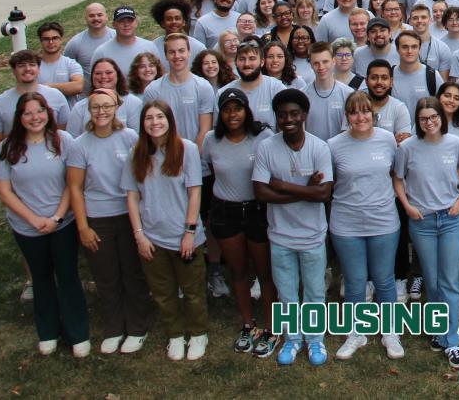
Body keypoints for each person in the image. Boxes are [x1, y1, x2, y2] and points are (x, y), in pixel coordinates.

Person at [0, 92, 89, 357]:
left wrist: (57, 217)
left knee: (68, 275)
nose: (35, 117)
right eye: (28, 113)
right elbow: (4, 191)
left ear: (48, 113)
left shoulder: (63, 141)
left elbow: (73, 184)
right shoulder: (7, 147)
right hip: (27, 227)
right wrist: (33, 219)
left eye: (40, 111)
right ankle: (47, 331)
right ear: (19, 117)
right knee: (41, 277)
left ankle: (77, 332)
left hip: (63, 223)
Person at [251, 89, 334, 366]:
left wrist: (283, 185)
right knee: (286, 293)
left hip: (312, 235)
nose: (288, 119)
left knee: (313, 292)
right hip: (280, 235)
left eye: (294, 113)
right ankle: (292, 339)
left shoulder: (319, 147)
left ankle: (314, 340)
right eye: (283, 114)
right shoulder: (266, 147)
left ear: (304, 116)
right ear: (276, 117)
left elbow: (324, 194)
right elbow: (261, 193)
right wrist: (304, 189)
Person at [122, 101, 209, 362]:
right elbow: (132, 196)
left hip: (184, 235)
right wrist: (139, 235)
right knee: (163, 291)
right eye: (149, 118)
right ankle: (174, 334)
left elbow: (195, 193)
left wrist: (189, 233)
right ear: (143, 124)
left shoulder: (187, 149)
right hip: (152, 237)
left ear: (169, 120)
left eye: (160, 117)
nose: (155, 122)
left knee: (193, 290)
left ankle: (197, 333)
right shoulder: (136, 153)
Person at [66, 89, 150, 354]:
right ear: (88, 112)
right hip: (97, 218)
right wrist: (82, 226)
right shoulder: (79, 145)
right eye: (95, 108)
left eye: (107, 106)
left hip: (127, 215)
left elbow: (140, 180)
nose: (101, 112)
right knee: (106, 276)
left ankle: (138, 326)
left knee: (131, 273)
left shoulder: (130, 138)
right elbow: (75, 189)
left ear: (116, 107)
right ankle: (114, 325)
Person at [201, 88, 278, 358]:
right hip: (226, 211)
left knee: (265, 271)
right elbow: (206, 173)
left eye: (238, 108)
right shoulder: (211, 140)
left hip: (257, 209)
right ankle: (248, 323)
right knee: (238, 270)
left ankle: (271, 325)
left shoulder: (263, 137)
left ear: (247, 110)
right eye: (226, 109)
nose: (232, 114)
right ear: (220, 113)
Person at [394, 97, 459, 367]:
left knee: (450, 280)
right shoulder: (407, 147)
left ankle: (453, 340)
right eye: (424, 118)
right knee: (433, 279)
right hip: (422, 221)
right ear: (418, 120)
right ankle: (439, 329)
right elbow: (397, 178)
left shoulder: (457, 144)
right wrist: (407, 206)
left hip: (450, 219)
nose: (430, 122)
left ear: (442, 117)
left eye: (434, 117)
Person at [328, 92, 404, 360]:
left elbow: (396, 173)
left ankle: (390, 331)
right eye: (354, 112)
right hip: (346, 223)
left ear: (374, 114)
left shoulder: (387, 140)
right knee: (355, 281)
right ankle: (355, 332)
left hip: (383, 221)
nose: (360, 117)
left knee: (384, 280)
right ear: (347, 116)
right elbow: (330, 181)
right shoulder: (334, 145)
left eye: (365, 111)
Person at [0, 50, 71, 165]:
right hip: (16, 164)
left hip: (52, 163)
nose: (27, 69)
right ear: (14, 71)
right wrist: (1, 175)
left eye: (32, 65)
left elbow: (63, 133)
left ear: (39, 69)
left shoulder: (56, 96)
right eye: (21, 66)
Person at [142, 34, 215, 147]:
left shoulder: (203, 87)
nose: (177, 56)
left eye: (181, 51)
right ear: (165, 55)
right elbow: (151, 129)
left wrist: (192, 155)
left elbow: (205, 130)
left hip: (197, 157)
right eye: (171, 52)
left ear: (189, 52)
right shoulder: (152, 90)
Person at [36, 22, 85, 107]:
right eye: (46, 39)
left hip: (68, 117)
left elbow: (78, 86)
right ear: (41, 41)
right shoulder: (34, 66)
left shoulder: (71, 64)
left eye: (55, 38)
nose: (51, 42)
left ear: (61, 40)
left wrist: (47, 87)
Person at [63, 3, 115, 72]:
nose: (96, 18)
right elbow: (66, 68)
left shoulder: (117, 37)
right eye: (91, 16)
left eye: (99, 15)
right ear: (86, 18)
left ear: (106, 17)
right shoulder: (75, 43)